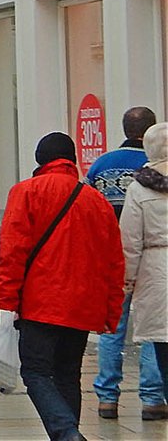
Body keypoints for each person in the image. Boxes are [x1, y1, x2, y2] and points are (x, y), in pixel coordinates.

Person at [0, 132, 124, 441]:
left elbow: (12, 252)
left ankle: (67, 434)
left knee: (35, 371)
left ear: (40, 160)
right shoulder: (96, 200)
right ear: (73, 161)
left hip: (40, 303)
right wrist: (111, 312)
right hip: (82, 306)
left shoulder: (25, 192)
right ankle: (68, 435)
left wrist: (5, 301)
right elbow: (114, 261)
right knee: (68, 374)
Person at [88, 107, 165, 420]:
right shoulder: (149, 171)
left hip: (113, 257)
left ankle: (107, 397)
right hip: (151, 261)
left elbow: (92, 211)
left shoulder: (101, 165)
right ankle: (152, 397)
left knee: (111, 327)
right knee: (154, 331)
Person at [122, 123, 168, 403]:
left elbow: (130, 240)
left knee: (164, 347)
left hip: (156, 272)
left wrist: (127, 280)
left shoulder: (139, 189)